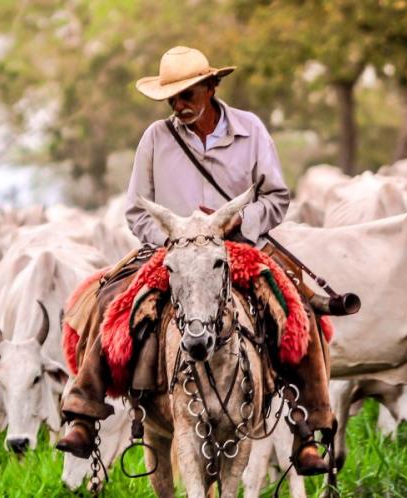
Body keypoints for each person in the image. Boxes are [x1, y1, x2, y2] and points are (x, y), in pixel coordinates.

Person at [56, 46, 334, 476]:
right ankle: (84, 411)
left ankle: (308, 426)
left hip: (239, 247)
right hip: (173, 251)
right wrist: (175, 242)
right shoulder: (155, 138)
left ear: (211, 87)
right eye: (172, 97)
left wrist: (242, 221)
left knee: (298, 308)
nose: (179, 105)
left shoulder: (251, 130)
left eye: (187, 94)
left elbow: (277, 198)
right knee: (110, 299)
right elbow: (136, 211)